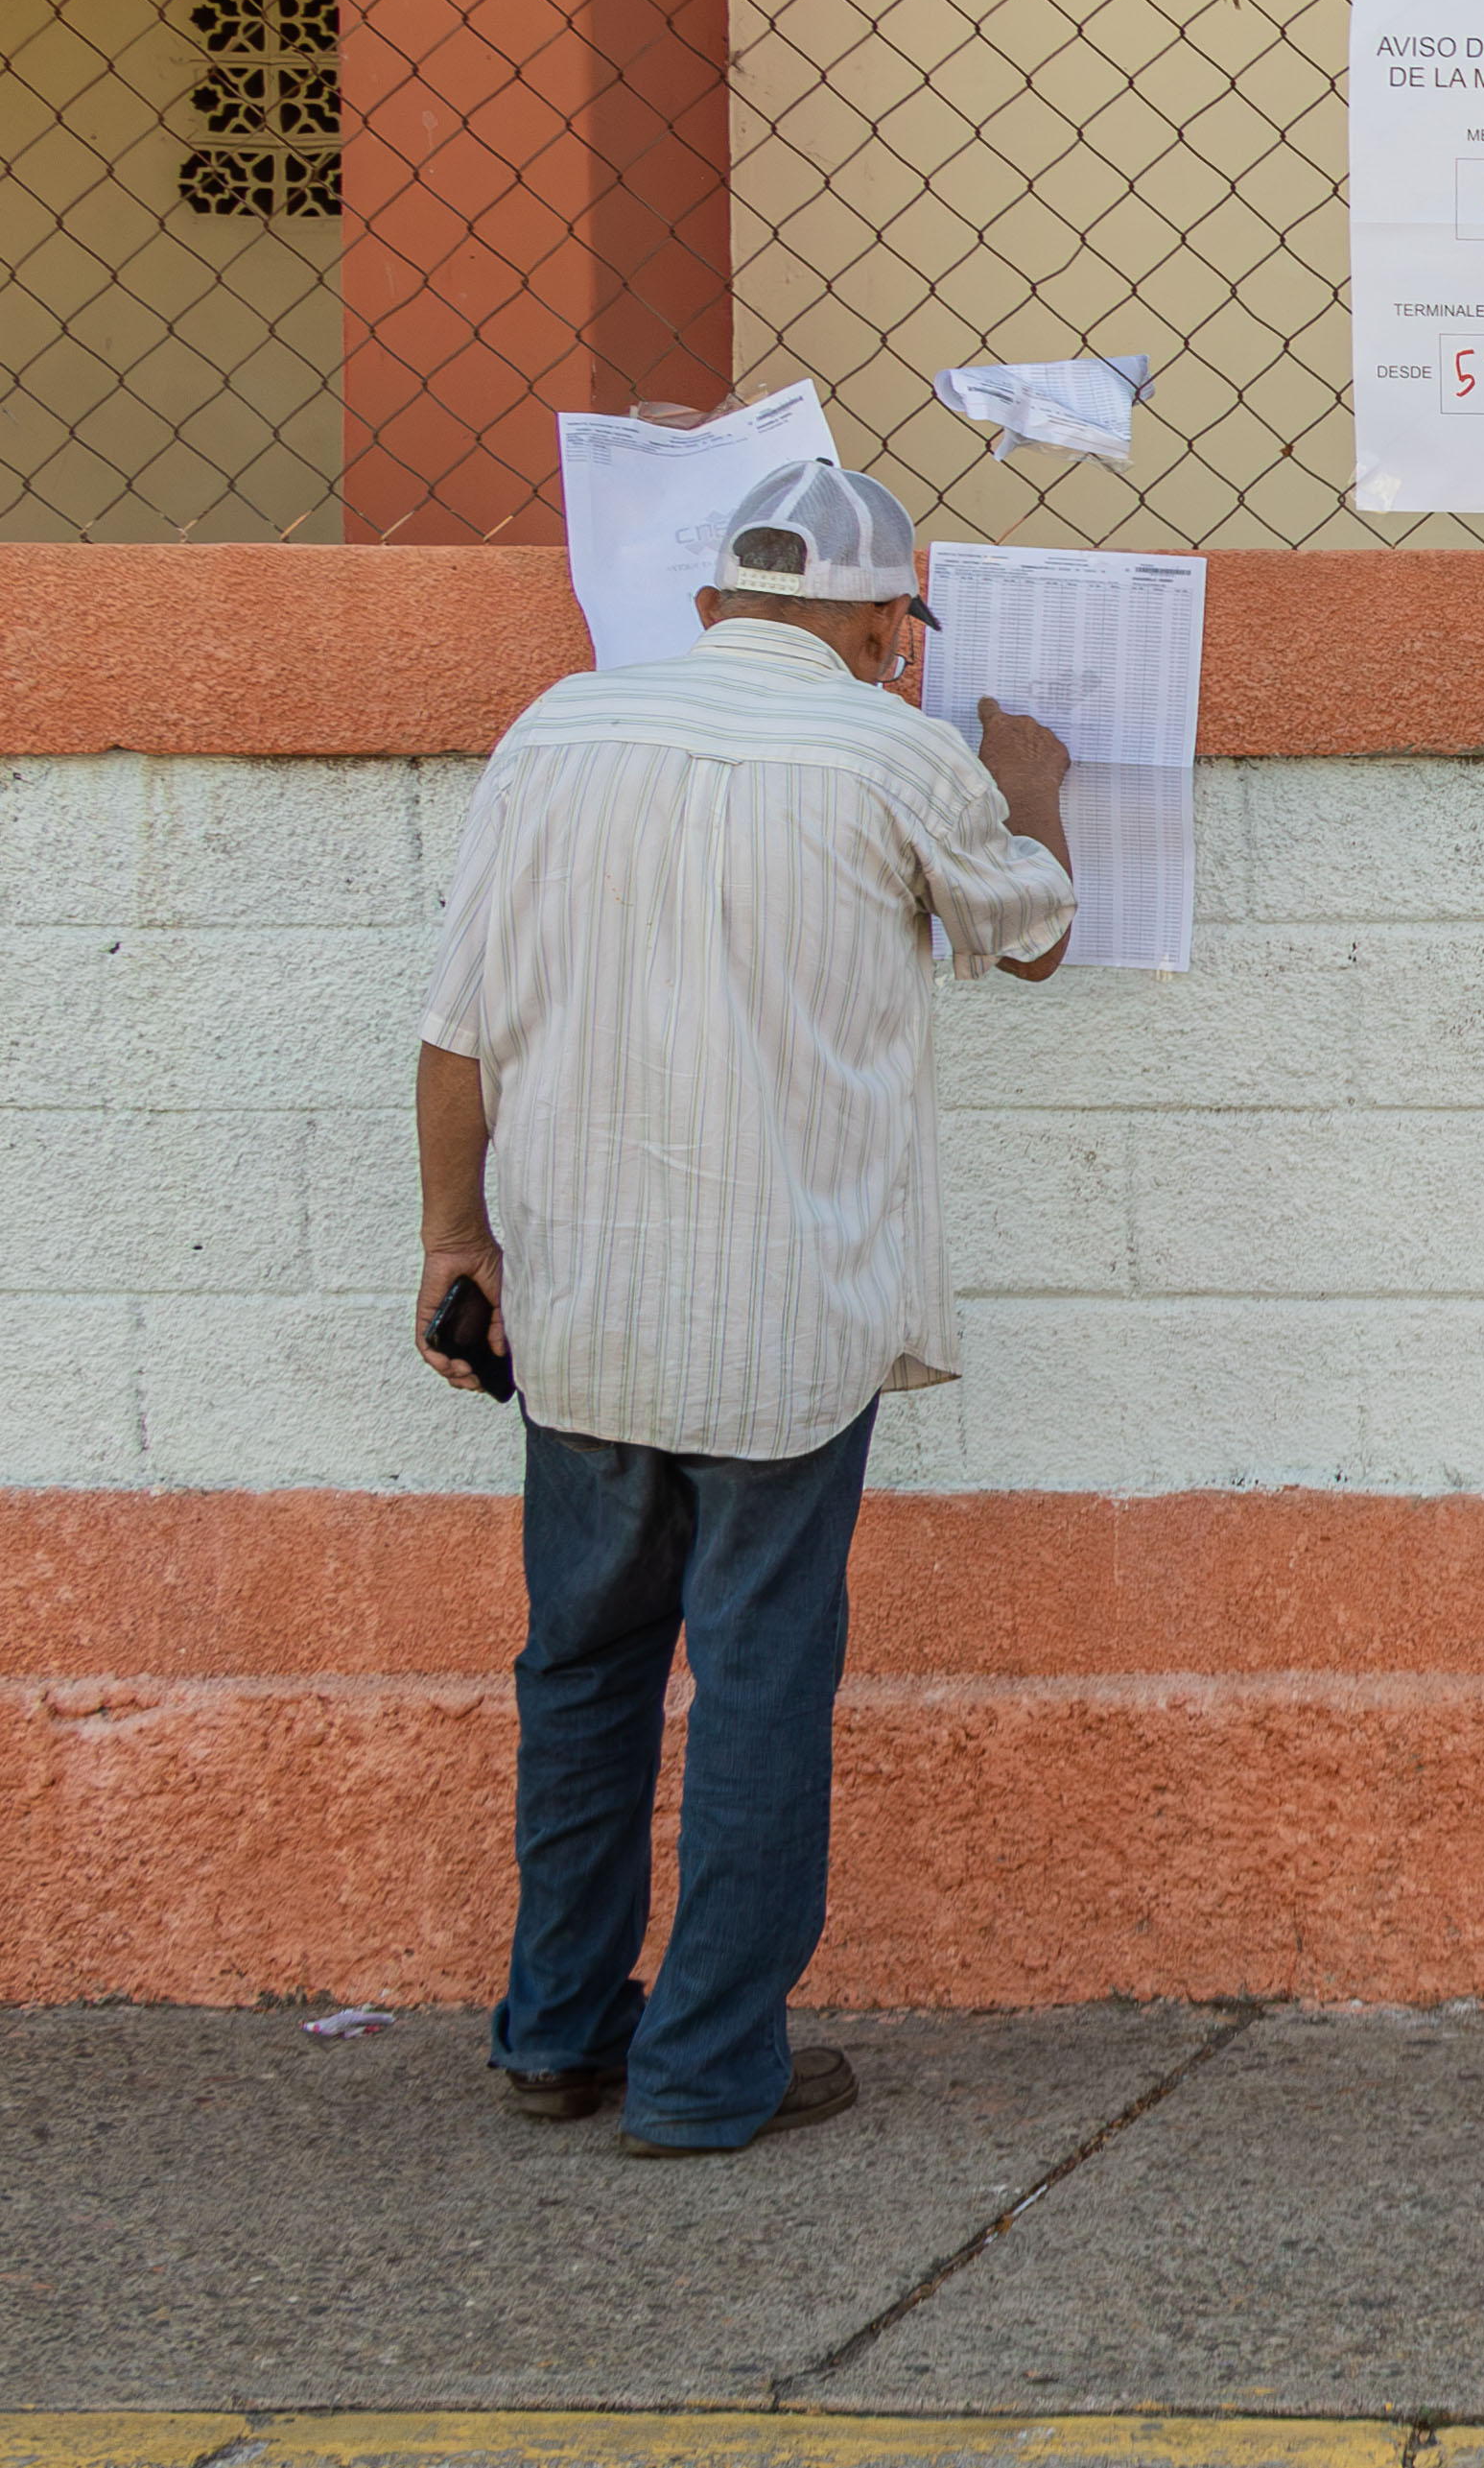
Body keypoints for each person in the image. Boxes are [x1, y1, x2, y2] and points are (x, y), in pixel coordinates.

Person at [412, 462, 1079, 2156]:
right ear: (880, 625)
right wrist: (1031, 786)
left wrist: (453, 1239)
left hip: (579, 1294)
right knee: (760, 1677)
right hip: (784, 1314)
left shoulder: (558, 728)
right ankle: (709, 2067)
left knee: (581, 1665)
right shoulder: (895, 749)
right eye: (897, 626)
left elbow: (456, 1029)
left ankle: (555, 2029)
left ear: (713, 602)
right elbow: (1034, 937)